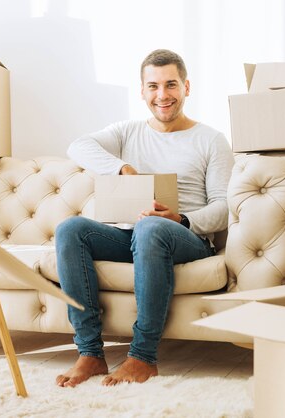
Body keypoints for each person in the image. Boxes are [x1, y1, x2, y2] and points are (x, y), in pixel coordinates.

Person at [54, 49, 234, 387]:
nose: (162, 95)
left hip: (186, 238)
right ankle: (90, 354)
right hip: (131, 234)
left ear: (186, 87)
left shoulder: (211, 139)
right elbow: (78, 146)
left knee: (152, 227)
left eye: (171, 85)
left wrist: (181, 218)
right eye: (153, 86)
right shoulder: (126, 132)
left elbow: (224, 208)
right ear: (142, 91)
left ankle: (142, 356)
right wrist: (120, 167)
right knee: (70, 229)